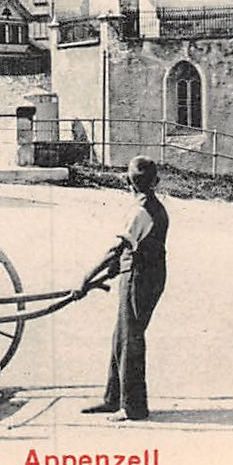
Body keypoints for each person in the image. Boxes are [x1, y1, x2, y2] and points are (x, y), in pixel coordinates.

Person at [81, 155, 170, 422]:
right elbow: (130, 249)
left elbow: (117, 250)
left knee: (130, 339)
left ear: (127, 183)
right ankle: (113, 399)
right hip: (150, 274)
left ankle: (134, 408)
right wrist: (110, 271)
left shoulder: (139, 211)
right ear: (156, 181)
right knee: (122, 334)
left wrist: (85, 278)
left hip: (140, 277)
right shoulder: (157, 207)